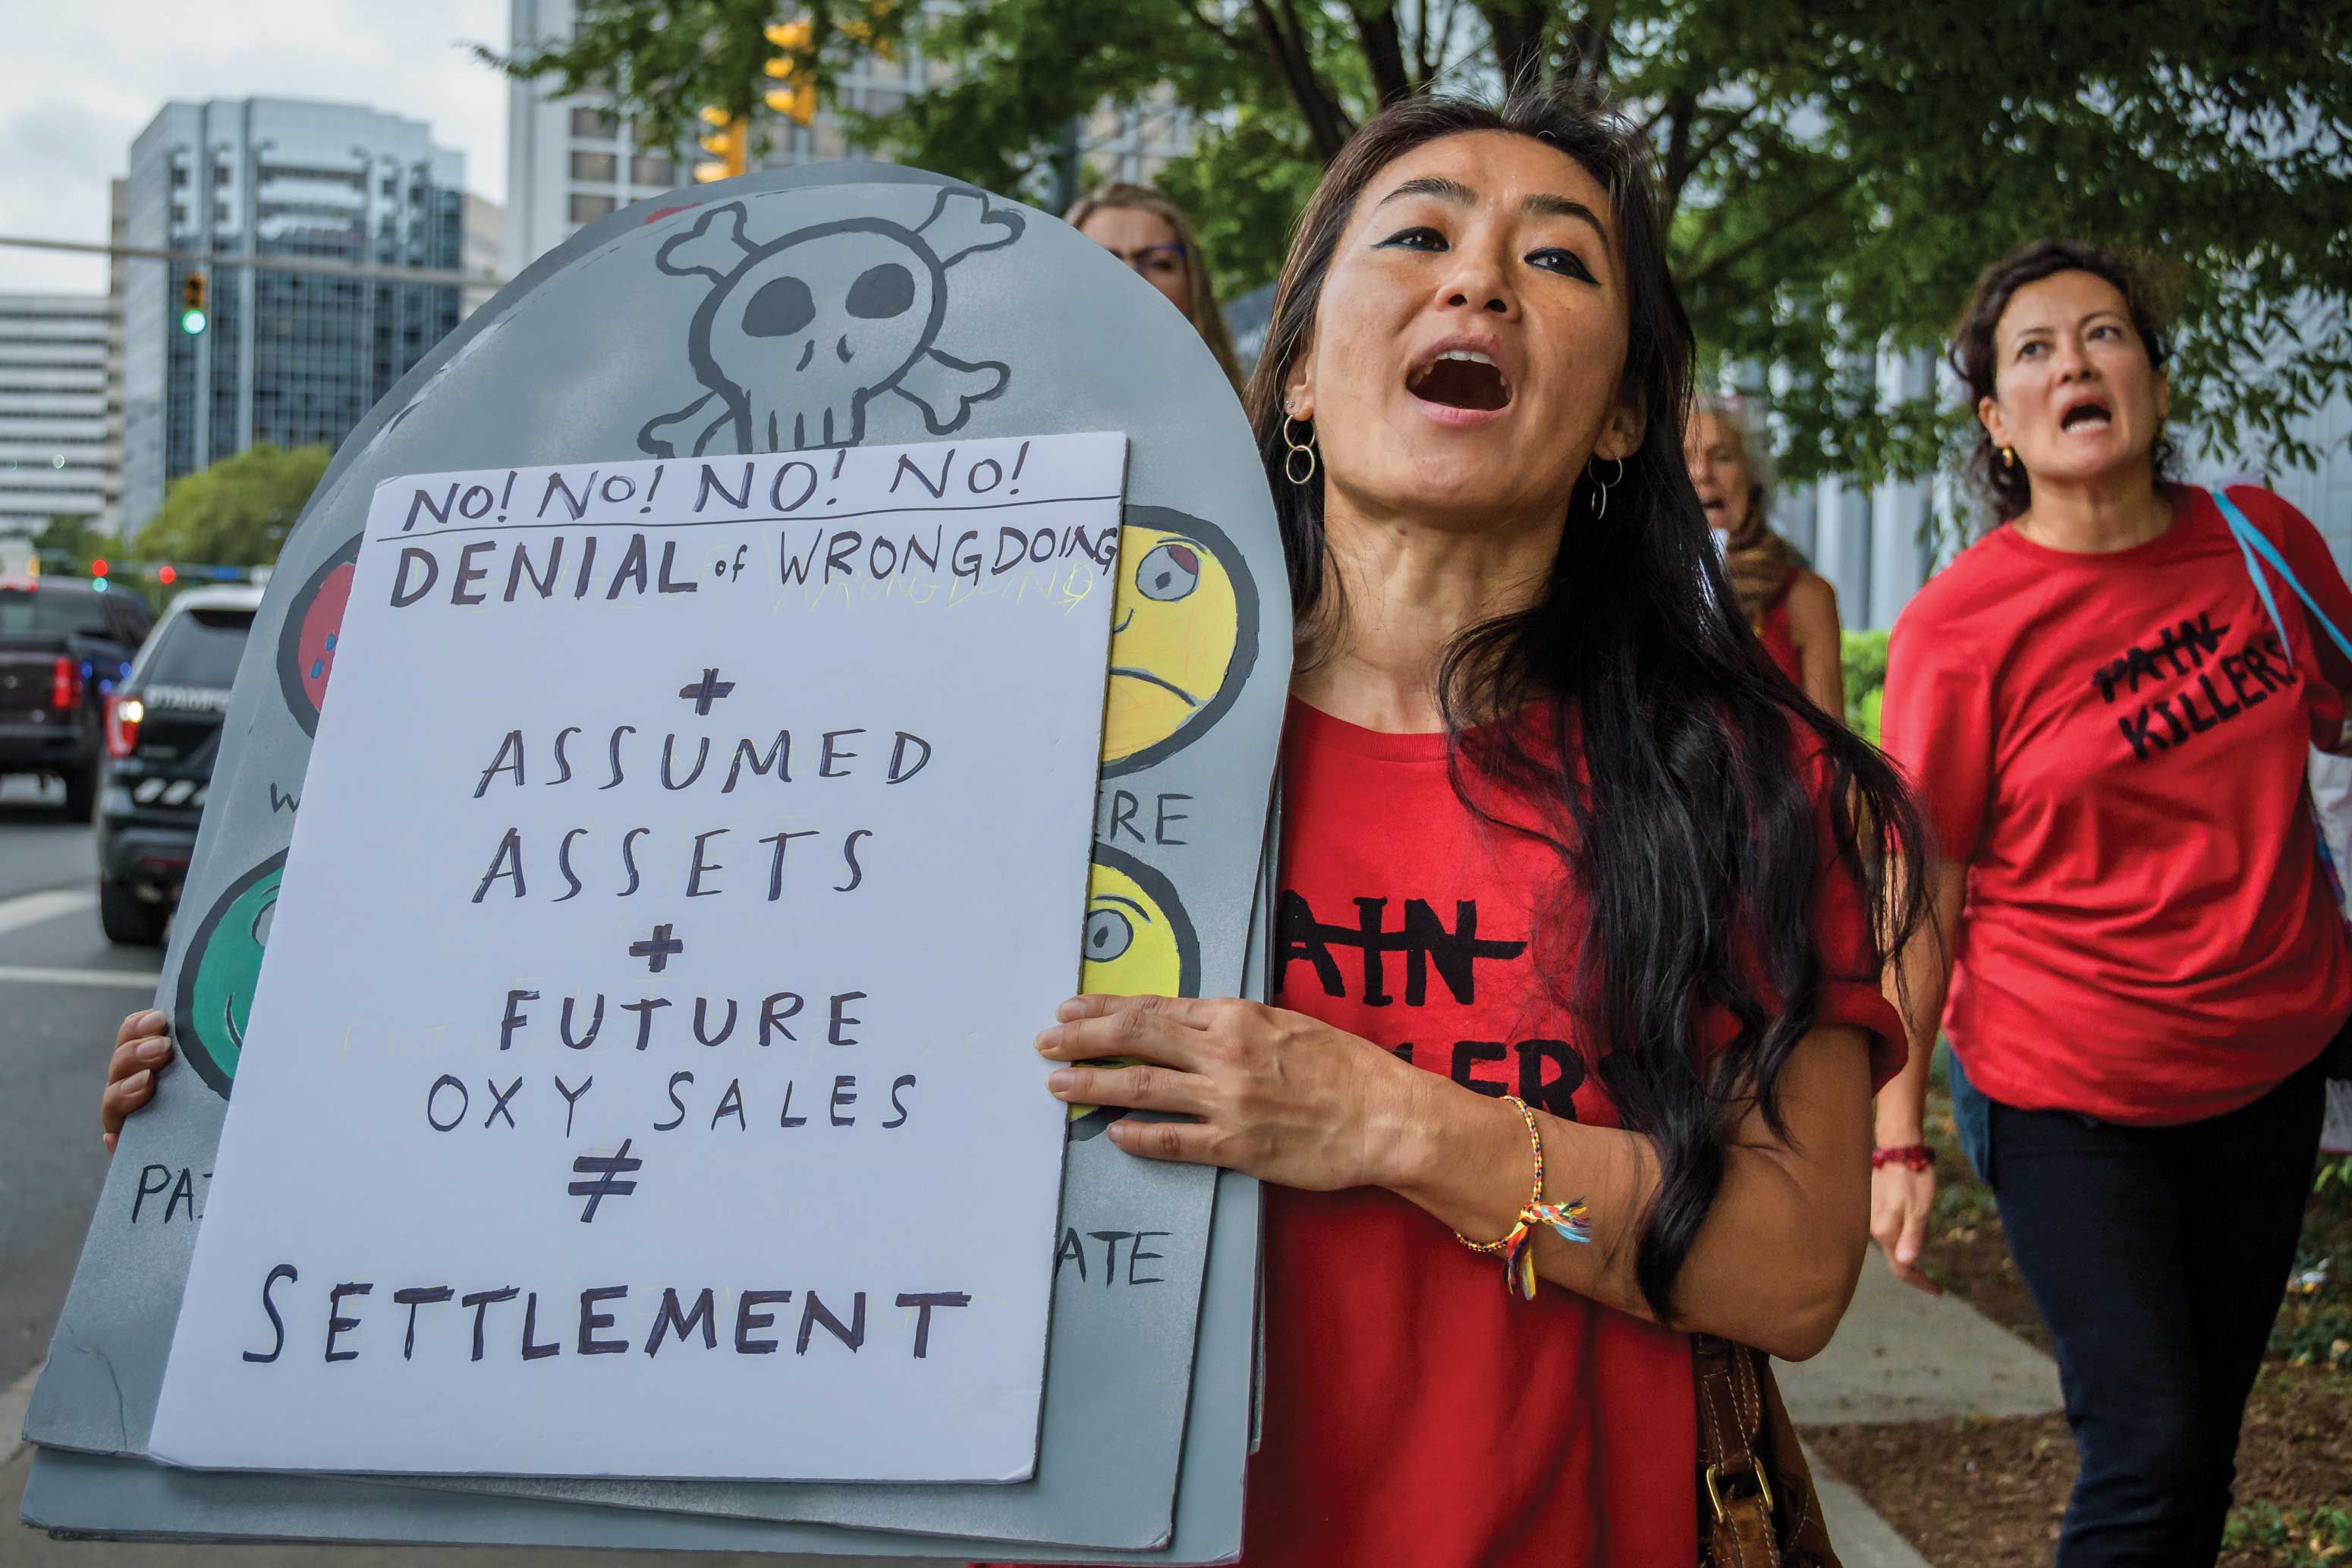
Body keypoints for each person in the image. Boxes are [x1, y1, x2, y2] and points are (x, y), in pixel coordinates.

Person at [108, 84, 1926, 1565]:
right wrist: (295, 1088)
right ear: (1288, 373)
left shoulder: (1725, 787)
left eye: (1555, 260)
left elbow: (1783, 1270)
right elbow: (700, 1046)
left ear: (1615, 414)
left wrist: (1380, 1118)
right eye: (1418, 235)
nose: (1480, 286)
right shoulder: (1007, 717)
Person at [1872, 237, 2352, 1568]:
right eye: (2035, 350)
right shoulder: (1963, 629)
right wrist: (1895, 1135)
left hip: (2267, 1071)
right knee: (2146, 1453)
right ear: (1998, 422)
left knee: (2202, 1444)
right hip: (2072, 1095)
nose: (2075, 362)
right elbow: (1927, 886)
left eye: (2104, 334)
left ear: (2149, 374)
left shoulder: (2260, 540)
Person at [1685, 392, 1845, 718]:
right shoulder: (1637, 591)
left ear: (1752, 474)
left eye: (1723, 457)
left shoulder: (1805, 597)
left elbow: (1833, 756)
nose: (1702, 472)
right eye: (1684, 458)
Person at [1066, 182, 1245, 391]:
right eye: (1100, 261)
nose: (1130, 277)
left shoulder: (1251, 418)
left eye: (1159, 263)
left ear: (1194, 288)